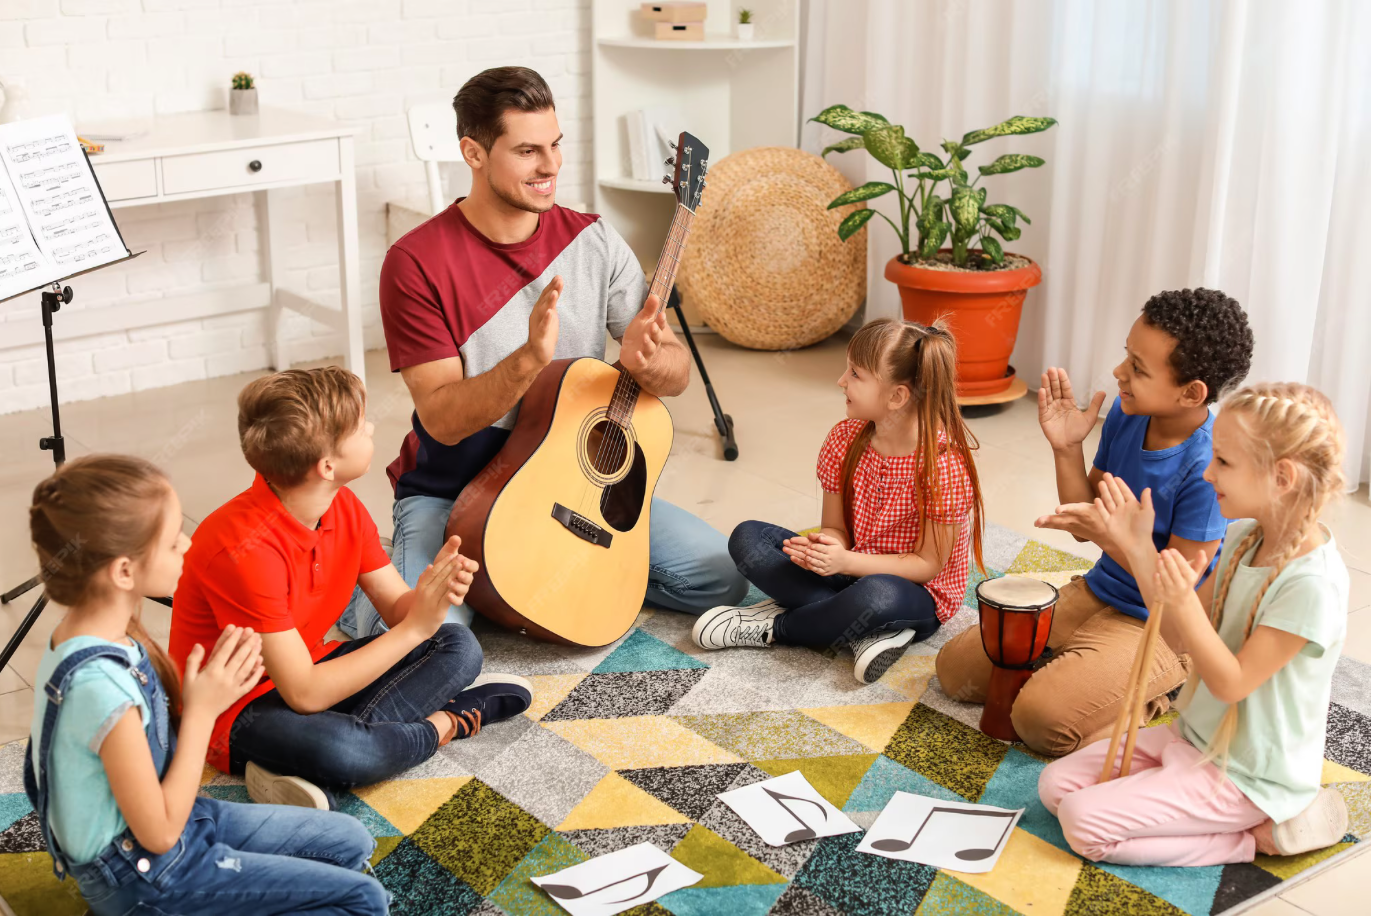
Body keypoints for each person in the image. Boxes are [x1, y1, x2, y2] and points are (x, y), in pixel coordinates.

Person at [338, 65, 747, 640]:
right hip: (457, 496)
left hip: (569, 490)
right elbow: (442, 419)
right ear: (473, 153)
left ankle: (536, 585)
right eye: (528, 150)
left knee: (722, 579)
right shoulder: (416, 262)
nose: (552, 166)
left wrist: (651, 361)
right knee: (419, 637)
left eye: (556, 145)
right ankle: (356, 586)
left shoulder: (593, 239)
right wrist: (527, 361)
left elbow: (674, 370)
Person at [24, 455, 389, 915]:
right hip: (145, 876)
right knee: (363, 898)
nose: (187, 543)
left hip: (181, 824)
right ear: (123, 571)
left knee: (349, 840)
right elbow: (159, 834)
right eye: (172, 539)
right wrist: (201, 712)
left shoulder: (87, 630)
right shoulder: (99, 689)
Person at [171, 367, 531, 810]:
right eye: (361, 426)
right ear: (327, 465)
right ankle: (446, 723)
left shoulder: (341, 504)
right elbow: (303, 693)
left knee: (459, 645)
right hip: (234, 707)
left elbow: (399, 609)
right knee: (348, 752)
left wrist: (428, 599)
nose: (373, 426)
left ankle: (298, 763)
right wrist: (413, 629)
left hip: (313, 666)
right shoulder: (241, 549)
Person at [1040, 383, 1351, 866]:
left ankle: (1257, 837)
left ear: (1282, 476)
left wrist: (1172, 585)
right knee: (1055, 786)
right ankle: (1174, 800)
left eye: (1224, 462)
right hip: (1192, 738)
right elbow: (1176, 635)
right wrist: (1140, 550)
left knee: (1083, 822)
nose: (1208, 473)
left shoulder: (1311, 585)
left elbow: (1230, 684)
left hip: (1249, 774)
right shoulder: (1245, 536)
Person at [936, 288, 1254, 755]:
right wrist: (1066, 447)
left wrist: (1116, 540)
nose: (1119, 372)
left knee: (1038, 721)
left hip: (1164, 626)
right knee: (955, 671)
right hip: (1103, 589)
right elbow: (1085, 515)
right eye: (1127, 355)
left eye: (1138, 368)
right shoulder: (1129, 413)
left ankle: (1164, 691)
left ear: (1191, 393)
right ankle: (1090, 673)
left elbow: (1177, 592)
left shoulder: (1209, 465)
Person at [691, 318, 985, 684]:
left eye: (855, 374)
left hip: (913, 592)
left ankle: (775, 627)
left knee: (874, 595)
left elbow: (927, 565)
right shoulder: (844, 438)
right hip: (848, 573)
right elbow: (835, 527)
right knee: (748, 538)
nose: (841, 381)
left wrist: (846, 560)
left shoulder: (944, 467)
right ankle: (865, 630)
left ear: (897, 396)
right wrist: (829, 547)